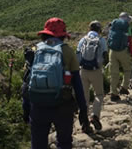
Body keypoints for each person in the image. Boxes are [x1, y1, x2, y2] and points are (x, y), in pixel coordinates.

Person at [22, 17, 90, 149]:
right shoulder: (68, 52)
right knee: (64, 143)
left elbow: (27, 82)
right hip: (62, 104)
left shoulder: (35, 50)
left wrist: (26, 109)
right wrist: (83, 110)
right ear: (63, 35)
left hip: (38, 105)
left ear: (44, 33)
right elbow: (77, 84)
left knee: (38, 144)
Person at [77, 20, 108, 131]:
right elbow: (105, 54)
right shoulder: (101, 40)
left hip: (83, 71)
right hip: (96, 71)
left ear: (89, 28)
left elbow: (78, 54)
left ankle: (84, 123)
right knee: (99, 94)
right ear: (99, 30)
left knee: (84, 97)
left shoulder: (83, 40)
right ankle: (95, 115)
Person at [107, 12, 132, 101]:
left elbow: (109, 38)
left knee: (113, 73)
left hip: (112, 51)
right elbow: (130, 42)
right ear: (127, 19)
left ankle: (113, 93)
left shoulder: (113, 25)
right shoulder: (127, 28)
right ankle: (124, 88)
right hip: (123, 51)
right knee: (127, 69)